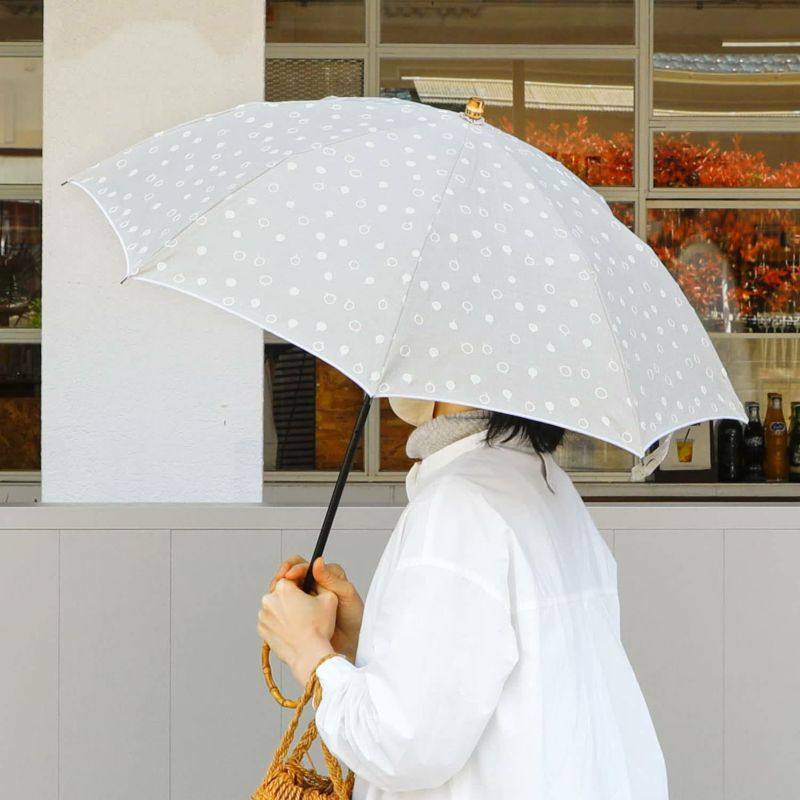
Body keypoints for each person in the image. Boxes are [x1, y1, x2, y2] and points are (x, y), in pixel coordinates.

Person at [257, 398, 669, 799]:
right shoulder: (546, 486)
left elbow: (403, 745)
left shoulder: (458, 502)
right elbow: (493, 667)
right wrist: (364, 636)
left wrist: (309, 651)